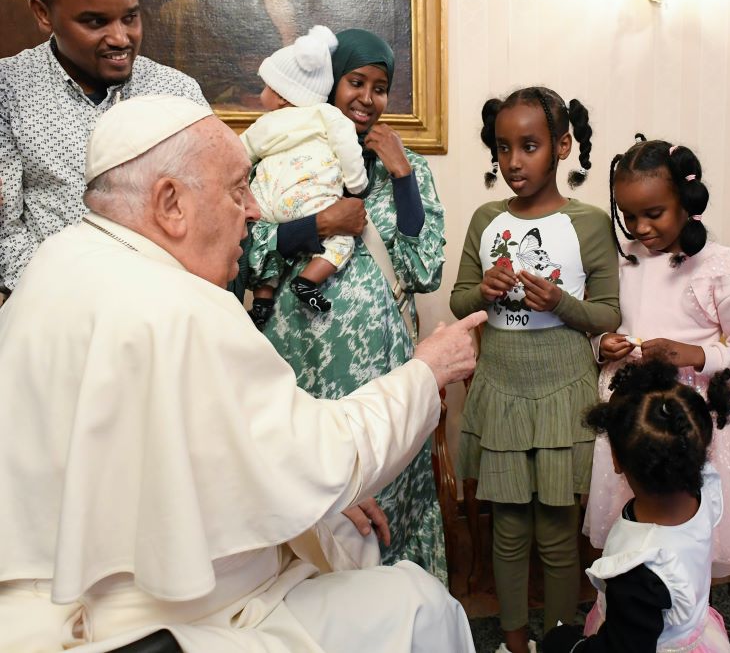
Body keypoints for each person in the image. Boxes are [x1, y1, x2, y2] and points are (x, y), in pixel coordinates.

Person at [0, 94, 482, 652]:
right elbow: (326, 452)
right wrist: (427, 371)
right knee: (419, 603)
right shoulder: (182, 307)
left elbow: (178, 460)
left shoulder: (56, 262)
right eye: (237, 189)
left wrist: (306, 496)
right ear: (170, 203)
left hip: (47, 607)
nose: (254, 210)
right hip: (168, 618)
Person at [246, 29, 449, 582]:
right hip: (301, 374)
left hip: (383, 372)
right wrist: (316, 226)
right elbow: (243, 253)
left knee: (390, 516)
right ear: (329, 84)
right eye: (356, 81)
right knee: (319, 521)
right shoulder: (277, 153)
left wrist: (403, 175)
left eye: (381, 87)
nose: (367, 97)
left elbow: (424, 269)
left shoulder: (403, 166)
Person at [450, 86, 620, 653]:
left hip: (563, 389)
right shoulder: (485, 218)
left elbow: (608, 312)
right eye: (503, 148)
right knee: (508, 528)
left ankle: (559, 639)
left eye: (529, 146)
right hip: (502, 386)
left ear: (563, 146)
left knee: (556, 531)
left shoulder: (590, 223)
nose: (514, 162)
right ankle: (515, 641)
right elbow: (458, 302)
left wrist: (562, 305)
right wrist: (484, 289)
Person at [584, 135, 730, 578]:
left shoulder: (724, 268)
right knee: (630, 528)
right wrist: (603, 345)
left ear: (686, 201)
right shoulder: (619, 263)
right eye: (628, 216)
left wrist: (697, 354)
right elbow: (597, 323)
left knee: (686, 537)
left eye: (653, 214)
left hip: (689, 421)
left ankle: (686, 625)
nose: (639, 228)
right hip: (630, 415)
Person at [0, 0, 206, 305]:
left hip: (163, 309)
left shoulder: (177, 91)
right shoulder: (8, 90)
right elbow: (4, 228)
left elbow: (208, 210)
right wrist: (58, 301)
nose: (120, 38)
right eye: (96, 22)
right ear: (43, 13)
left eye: (130, 18)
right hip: (50, 309)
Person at [543, 360, 730, 653]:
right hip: (697, 634)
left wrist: (566, 645)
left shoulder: (640, 567)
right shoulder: (703, 492)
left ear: (617, 461)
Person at [241, 24, 367, 324]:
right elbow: (348, 149)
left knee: (267, 247)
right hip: (306, 196)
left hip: (266, 200)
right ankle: (308, 280)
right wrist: (356, 183)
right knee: (342, 239)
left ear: (284, 96)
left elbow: (238, 155)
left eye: (267, 87)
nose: (262, 94)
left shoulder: (264, 125)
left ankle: (262, 300)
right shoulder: (327, 115)